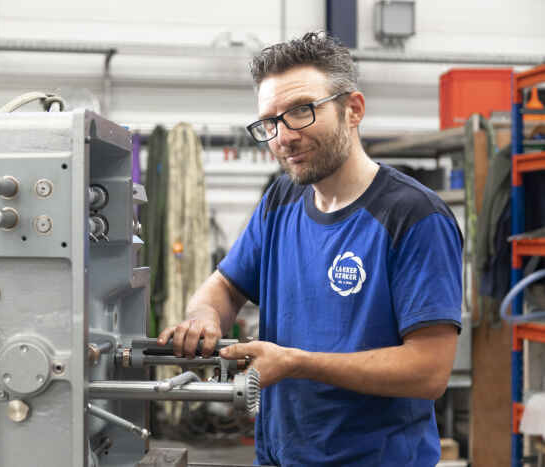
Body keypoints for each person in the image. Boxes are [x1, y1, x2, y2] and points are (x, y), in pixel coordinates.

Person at [157, 31, 462, 466]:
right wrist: (203, 317)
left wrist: (296, 362)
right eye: (270, 122)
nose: (283, 137)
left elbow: (429, 371)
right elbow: (224, 286)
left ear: (353, 109)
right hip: (280, 456)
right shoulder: (281, 201)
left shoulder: (414, 215)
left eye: (301, 111)